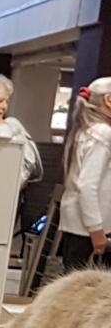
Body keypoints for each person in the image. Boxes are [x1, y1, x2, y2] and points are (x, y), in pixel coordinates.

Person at [59, 78, 111, 270]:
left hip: (80, 227)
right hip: (88, 230)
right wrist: (96, 230)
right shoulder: (102, 134)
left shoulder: (87, 131)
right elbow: (87, 185)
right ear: (108, 100)